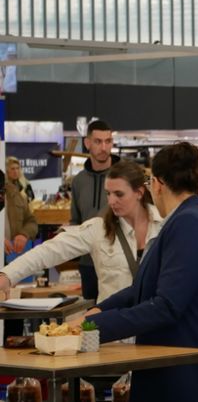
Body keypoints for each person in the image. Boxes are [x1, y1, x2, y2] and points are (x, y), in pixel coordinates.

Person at [76, 143, 198, 402]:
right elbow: (144, 287)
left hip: (189, 370)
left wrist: (94, 327)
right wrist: (99, 311)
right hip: (178, 365)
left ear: (158, 184)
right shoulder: (183, 219)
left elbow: (166, 305)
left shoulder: (189, 223)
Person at [0, 161, 163, 302]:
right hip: (113, 324)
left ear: (139, 193)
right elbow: (50, 250)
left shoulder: (165, 226)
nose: (111, 201)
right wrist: (8, 275)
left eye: (119, 194)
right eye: (108, 193)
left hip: (157, 324)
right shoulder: (99, 229)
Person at [70, 119, 119, 300]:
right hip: (88, 263)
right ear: (87, 143)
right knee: (90, 313)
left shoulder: (124, 176)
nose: (104, 147)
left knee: (117, 312)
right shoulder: (78, 181)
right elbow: (75, 220)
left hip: (117, 262)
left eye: (108, 141)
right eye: (98, 141)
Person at [3, 170, 37, 258]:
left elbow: (31, 221)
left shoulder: (16, 193)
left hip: (12, 255)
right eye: (12, 169)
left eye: (17, 168)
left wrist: (24, 234)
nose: (15, 171)